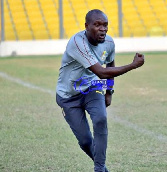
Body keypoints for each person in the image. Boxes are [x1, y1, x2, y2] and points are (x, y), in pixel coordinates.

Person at [56, 9, 144, 172]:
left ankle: (99, 168)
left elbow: (109, 64)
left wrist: (109, 91)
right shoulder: (77, 42)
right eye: (97, 25)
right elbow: (101, 72)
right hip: (68, 96)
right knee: (85, 141)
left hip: (92, 87)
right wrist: (132, 66)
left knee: (101, 119)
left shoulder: (109, 42)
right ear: (87, 26)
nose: (102, 29)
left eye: (105, 25)